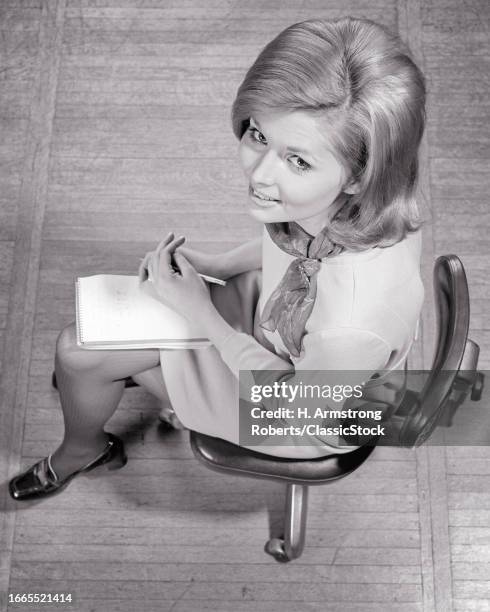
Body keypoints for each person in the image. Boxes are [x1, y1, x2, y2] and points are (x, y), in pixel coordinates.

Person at [9, 16, 426, 500]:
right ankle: (103, 386)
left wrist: (202, 312)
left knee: (78, 352)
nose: (260, 174)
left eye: (298, 160)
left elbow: (289, 404)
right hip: (276, 332)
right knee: (88, 346)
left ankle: (84, 446)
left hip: (293, 410)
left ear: (359, 175)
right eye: (258, 135)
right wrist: (221, 265)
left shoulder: (353, 323)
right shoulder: (357, 205)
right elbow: (291, 251)